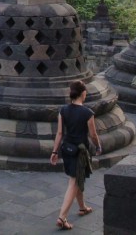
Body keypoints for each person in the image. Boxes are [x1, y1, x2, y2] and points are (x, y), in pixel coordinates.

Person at [50, 79, 102, 230]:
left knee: (78, 178)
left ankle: (82, 207)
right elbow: (93, 134)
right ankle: (62, 217)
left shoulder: (63, 110)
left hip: (67, 149)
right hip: (80, 152)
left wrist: (54, 151)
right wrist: (98, 146)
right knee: (73, 182)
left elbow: (60, 133)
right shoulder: (87, 113)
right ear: (83, 93)